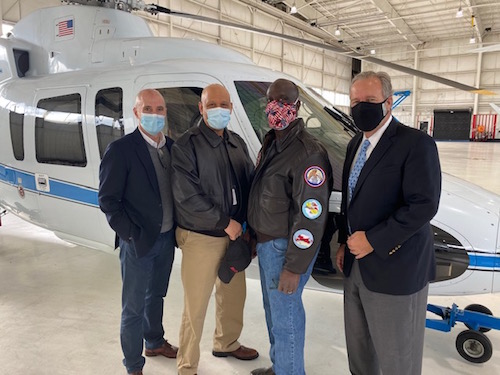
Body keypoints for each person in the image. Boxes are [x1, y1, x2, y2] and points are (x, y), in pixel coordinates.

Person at [336, 71, 441, 375]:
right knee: (360, 353)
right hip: (356, 266)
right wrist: (345, 240)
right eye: (355, 101)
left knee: (398, 359)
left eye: (369, 100)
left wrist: (373, 240)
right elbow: (353, 200)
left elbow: (423, 205)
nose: (360, 107)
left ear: (388, 102)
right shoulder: (355, 143)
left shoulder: (415, 144)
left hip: (396, 269)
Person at [171, 83, 258, 375]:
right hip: (202, 237)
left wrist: (246, 227)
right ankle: (187, 366)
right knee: (195, 305)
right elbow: (187, 195)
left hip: (236, 236)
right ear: (201, 108)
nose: (218, 110)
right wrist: (224, 223)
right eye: (212, 105)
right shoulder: (186, 145)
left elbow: (248, 185)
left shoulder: (236, 143)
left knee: (233, 296)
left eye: (224, 104)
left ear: (231, 108)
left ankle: (226, 342)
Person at [248, 78, 333, 375]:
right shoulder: (273, 142)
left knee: (286, 317)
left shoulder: (308, 152)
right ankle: (280, 365)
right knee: (274, 312)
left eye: (284, 102)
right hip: (268, 243)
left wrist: (294, 267)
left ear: (296, 107)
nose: (277, 108)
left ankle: (290, 371)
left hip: (286, 248)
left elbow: (309, 217)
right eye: (272, 101)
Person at [98, 89, 178, 375]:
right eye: (148, 108)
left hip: (167, 238)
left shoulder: (170, 147)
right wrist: (130, 234)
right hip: (138, 242)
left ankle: (154, 341)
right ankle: (133, 365)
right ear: (136, 112)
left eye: (160, 109)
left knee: (156, 294)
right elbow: (108, 200)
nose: (154, 114)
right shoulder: (121, 150)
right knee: (132, 307)